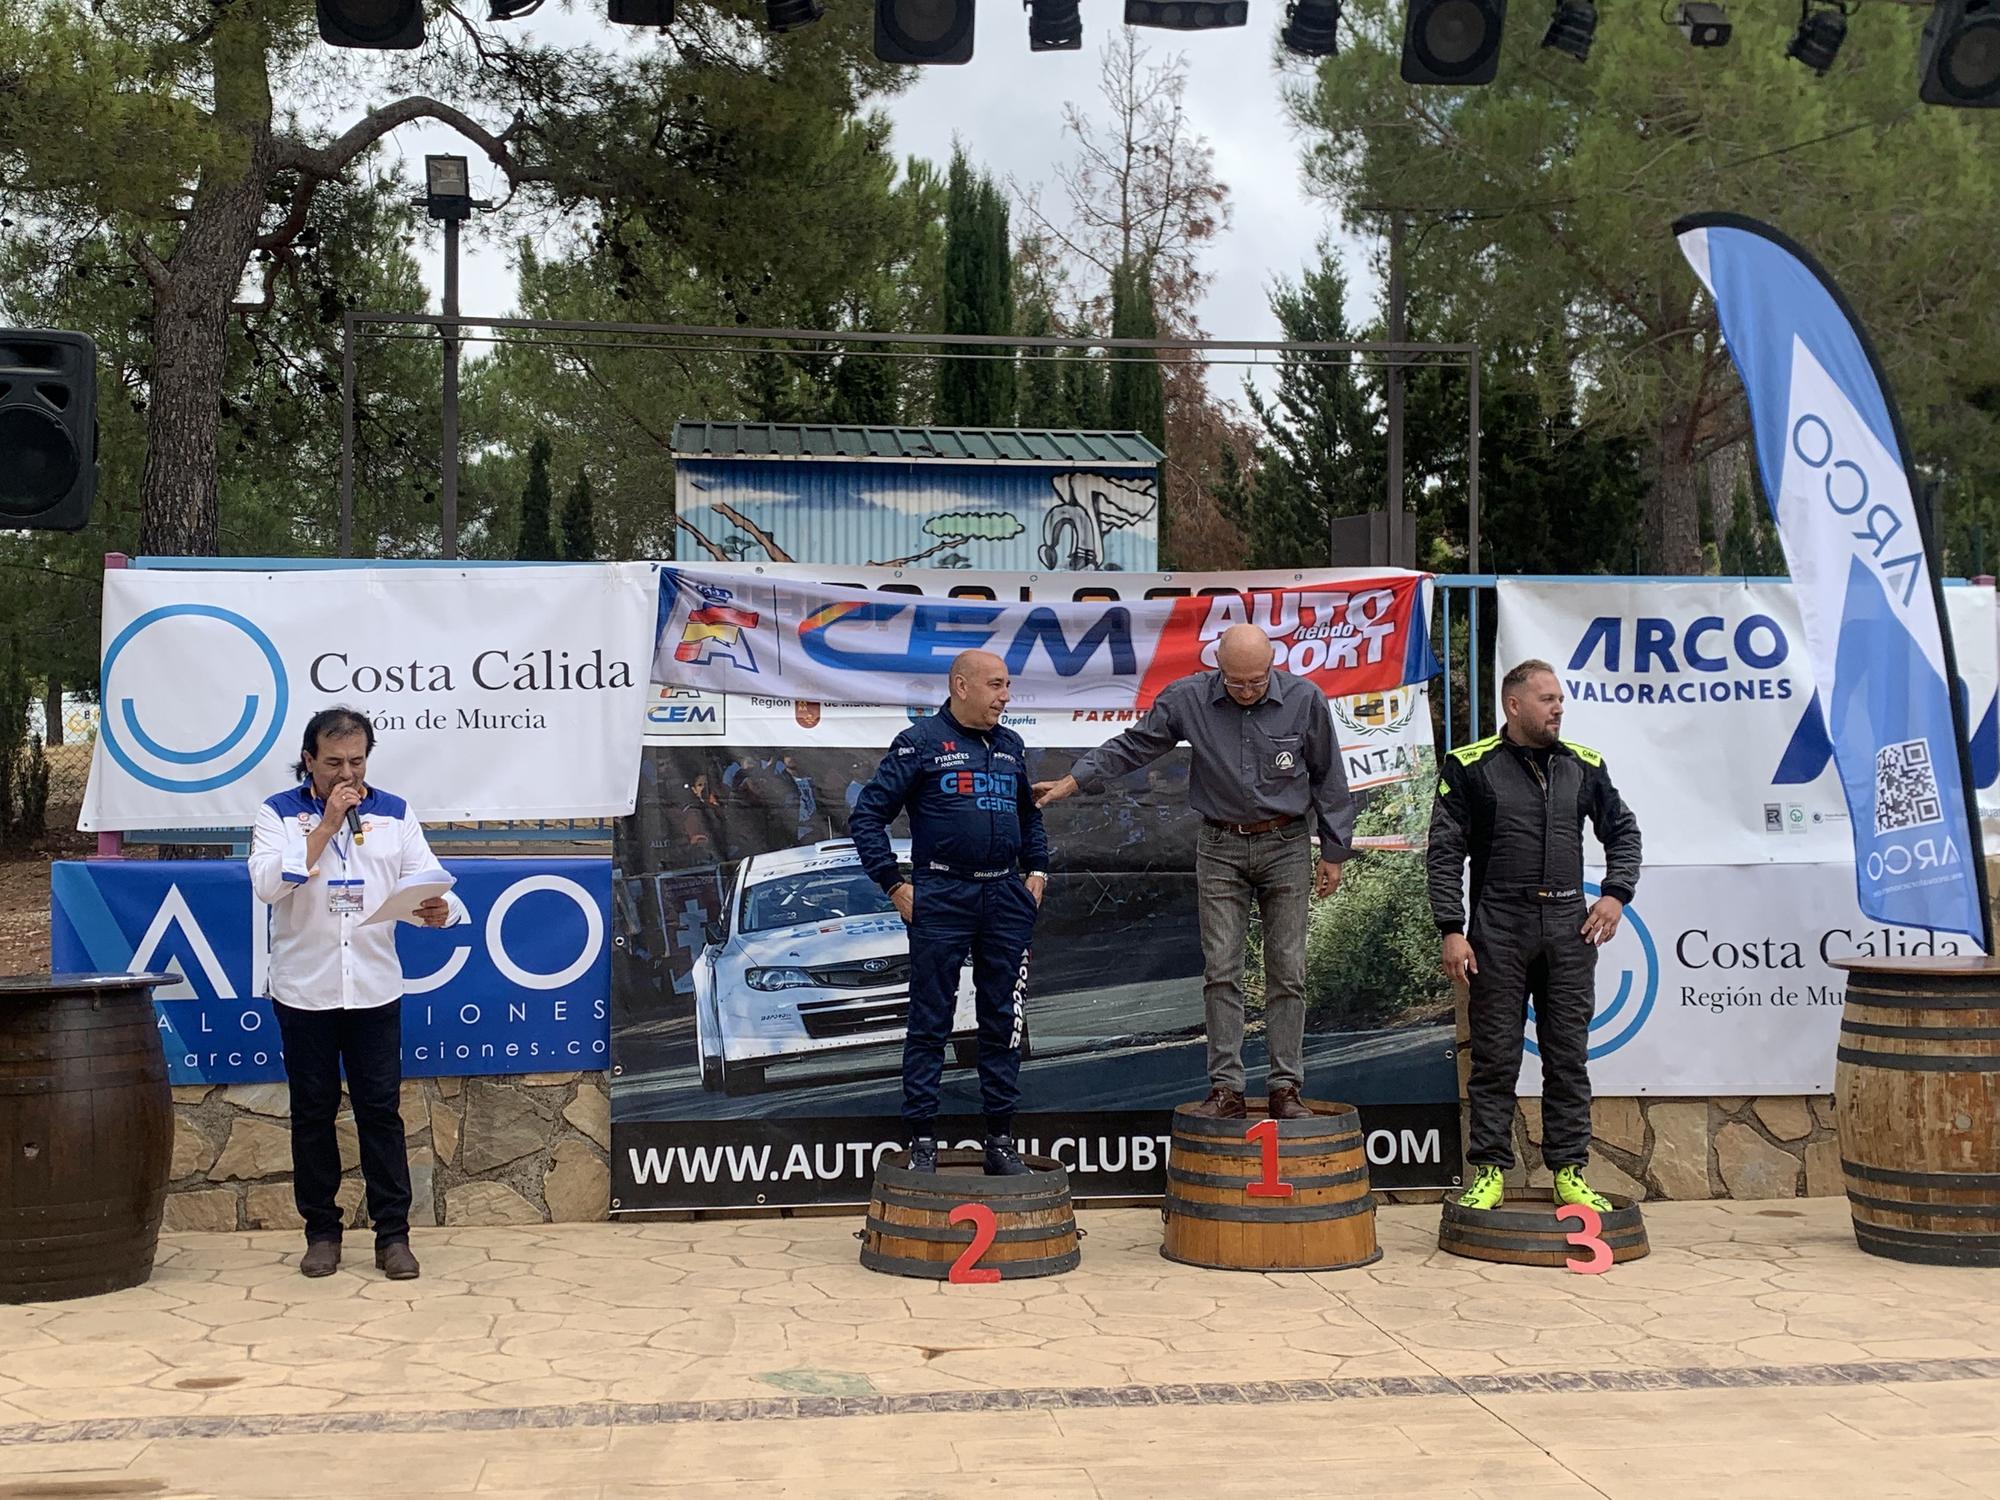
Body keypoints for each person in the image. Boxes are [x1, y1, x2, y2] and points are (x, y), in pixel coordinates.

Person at [1034, 623, 1354, 1121]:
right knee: (1221, 970)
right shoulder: (1187, 699)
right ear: (1217, 668)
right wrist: (1076, 780)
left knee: (1287, 971)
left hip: (1287, 842)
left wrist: (1333, 852)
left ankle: (1286, 1088)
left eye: (1257, 680)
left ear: (1273, 666)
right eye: (1236, 681)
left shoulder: (1304, 698)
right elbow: (1134, 745)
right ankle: (1225, 1088)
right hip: (1220, 845)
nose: (1248, 691)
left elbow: (1329, 777)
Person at [248, 707, 467, 1280]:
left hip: (373, 988)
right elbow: (269, 885)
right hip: (305, 989)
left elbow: (429, 878)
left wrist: (441, 911)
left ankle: (392, 1235)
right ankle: (321, 1232)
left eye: (357, 761)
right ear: (308, 761)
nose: (347, 774)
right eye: (333, 763)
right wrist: (324, 825)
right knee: (313, 1114)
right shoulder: (278, 814)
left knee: (380, 1112)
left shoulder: (394, 813)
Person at [1427, 659, 1642, 1214]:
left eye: (1561, 699)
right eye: (1546, 699)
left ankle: (1570, 1171)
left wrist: (1616, 895)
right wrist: (1452, 929)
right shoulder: (1469, 766)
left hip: (1570, 927)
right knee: (1495, 1058)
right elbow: (1445, 853)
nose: (1558, 708)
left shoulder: (1585, 766)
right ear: (1514, 705)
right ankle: (1489, 1173)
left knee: (1567, 1056)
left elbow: (1623, 832)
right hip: (1499, 925)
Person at [849, 650, 1049, 1175]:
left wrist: (1038, 871)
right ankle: (921, 1144)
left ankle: (1001, 1141)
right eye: (996, 686)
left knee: (1002, 1020)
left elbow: (1029, 816)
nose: (1005, 697)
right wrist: (894, 885)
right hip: (940, 894)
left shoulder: (1010, 745)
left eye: (1007, 687)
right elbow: (867, 817)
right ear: (961, 686)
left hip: (1005, 896)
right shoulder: (918, 743)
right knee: (930, 1021)